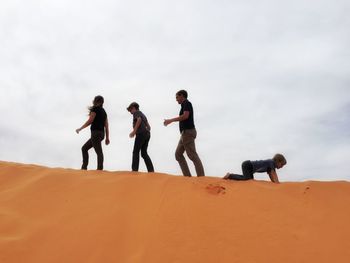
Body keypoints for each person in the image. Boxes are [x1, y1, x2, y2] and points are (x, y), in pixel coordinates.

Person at [164, 90, 205, 177]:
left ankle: (201, 178)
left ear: (182, 96)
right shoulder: (184, 105)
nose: (176, 100)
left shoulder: (187, 103)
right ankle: (187, 177)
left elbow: (185, 116)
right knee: (178, 154)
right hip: (184, 134)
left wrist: (170, 120)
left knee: (192, 155)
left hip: (188, 132)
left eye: (177, 97)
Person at [76, 95, 110, 170]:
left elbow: (90, 120)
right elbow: (106, 126)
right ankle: (84, 168)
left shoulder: (95, 109)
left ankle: (99, 170)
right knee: (84, 148)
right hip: (101, 134)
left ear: (96, 101)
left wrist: (80, 128)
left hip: (95, 133)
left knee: (99, 152)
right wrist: (107, 138)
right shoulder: (104, 112)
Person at [127, 102, 154, 172]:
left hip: (141, 134)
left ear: (134, 108)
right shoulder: (143, 114)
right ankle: (151, 171)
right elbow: (149, 127)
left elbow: (139, 120)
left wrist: (134, 131)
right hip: (147, 134)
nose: (130, 112)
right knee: (144, 153)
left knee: (135, 152)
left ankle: (134, 170)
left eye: (130, 110)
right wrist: (145, 131)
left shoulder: (137, 113)